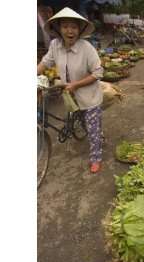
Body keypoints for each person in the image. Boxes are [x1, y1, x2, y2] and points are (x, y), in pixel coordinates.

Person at [37, 7, 104, 173]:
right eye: (65, 26)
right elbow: (45, 63)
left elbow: (98, 73)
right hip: (70, 94)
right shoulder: (55, 45)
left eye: (74, 27)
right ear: (59, 28)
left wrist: (76, 85)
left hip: (89, 96)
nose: (70, 31)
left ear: (79, 30)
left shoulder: (87, 48)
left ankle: (96, 157)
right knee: (79, 117)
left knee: (93, 129)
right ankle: (81, 127)